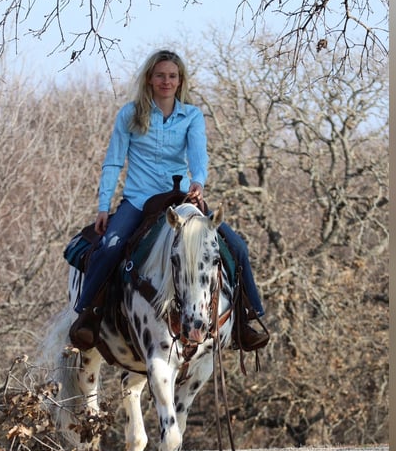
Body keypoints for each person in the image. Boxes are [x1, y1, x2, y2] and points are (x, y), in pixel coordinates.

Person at [70, 49, 267, 351]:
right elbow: (113, 162)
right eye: (160, 75)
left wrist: (199, 183)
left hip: (181, 199)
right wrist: (102, 205)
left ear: (180, 81)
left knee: (236, 246)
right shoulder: (130, 114)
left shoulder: (191, 115)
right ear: (149, 78)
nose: (166, 81)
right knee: (109, 248)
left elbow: (199, 156)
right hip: (139, 200)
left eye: (172, 76)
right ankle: (88, 316)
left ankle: (246, 318)